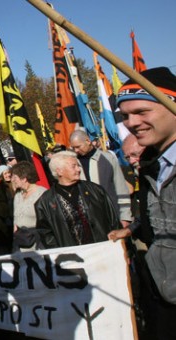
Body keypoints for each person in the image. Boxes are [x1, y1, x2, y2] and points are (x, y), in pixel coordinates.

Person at [112, 66, 176, 339]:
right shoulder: (151, 168)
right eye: (125, 115)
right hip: (164, 303)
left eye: (141, 111)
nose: (131, 122)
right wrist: (132, 229)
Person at [35, 151, 121, 248]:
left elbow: (113, 220)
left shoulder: (95, 190)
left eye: (78, 166)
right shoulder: (45, 202)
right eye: (73, 166)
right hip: (74, 258)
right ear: (59, 171)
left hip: (102, 250)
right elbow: (46, 235)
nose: (78, 169)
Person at [69, 129, 132, 227]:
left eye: (78, 146)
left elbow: (121, 188)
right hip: (89, 222)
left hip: (112, 215)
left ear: (88, 141)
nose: (76, 150)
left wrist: (125, 216)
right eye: (73, 148)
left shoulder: (107, 158)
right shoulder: (73, 163)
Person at [10, 161, 47, 252]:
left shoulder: (42, 194)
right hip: (20, 245)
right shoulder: (18, 196)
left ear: (24, 178)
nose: (12, 180)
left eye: (15, 177)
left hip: (38, 245)